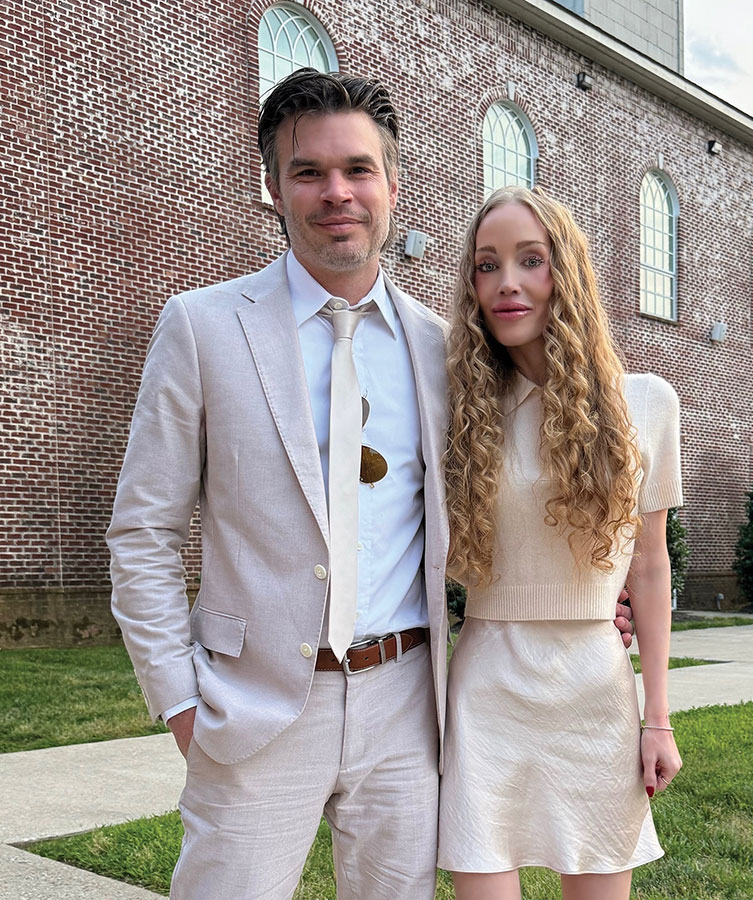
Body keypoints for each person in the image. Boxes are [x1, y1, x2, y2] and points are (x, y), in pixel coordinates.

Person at [107, 68, 635, 900]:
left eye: (357, 169)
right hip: (250, 709)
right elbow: (144, 531)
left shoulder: (446, 352)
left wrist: (596, 588)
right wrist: (179, 701)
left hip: (405, 706)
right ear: (272, 187)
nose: (335, 193)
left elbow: (536, 470)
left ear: (392, 184)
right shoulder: (202, 327)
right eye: (307, 171)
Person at [438, 186, 683, 900]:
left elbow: (649, 563)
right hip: (487, 683)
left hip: (594, 687)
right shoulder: (458, 406)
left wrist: (657, 719)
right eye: (487, 265)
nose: (506, 282)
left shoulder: (647, 403)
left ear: (565, 272)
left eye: (530, 260)